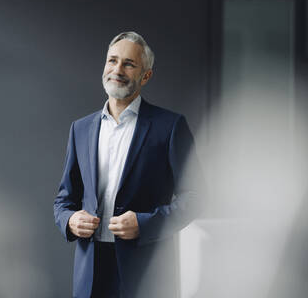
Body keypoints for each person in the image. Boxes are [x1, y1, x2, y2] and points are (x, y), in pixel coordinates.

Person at [54, 31, 204, 298]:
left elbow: (197, 197)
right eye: (112, 60)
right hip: (90, 273)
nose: (117, 69)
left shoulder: (170, 127)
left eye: (129, 64)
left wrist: (145, 223)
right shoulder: (81, 129)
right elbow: (63, 201)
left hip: (147, 274)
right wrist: (70, 220)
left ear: (145, 76)